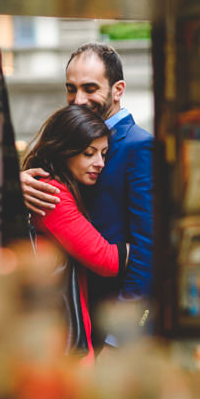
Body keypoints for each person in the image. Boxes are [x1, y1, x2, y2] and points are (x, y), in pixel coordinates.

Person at [20, 43, 152, 348]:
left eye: (90, 88)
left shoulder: (139, 146)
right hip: (72, 319)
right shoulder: (70, 139)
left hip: (112, 324)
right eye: (71, 88)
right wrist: (18, 186)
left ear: (118, 90)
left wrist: (120, 337)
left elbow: (148, 251)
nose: (78, 100)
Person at [24, 105, 129, 364]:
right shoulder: (52, 194)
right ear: (64, 151)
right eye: (88, 153)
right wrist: (149, 247)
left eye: (103, 154)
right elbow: (107, 260)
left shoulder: (58, 187)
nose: (100, 163)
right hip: (60, 344)